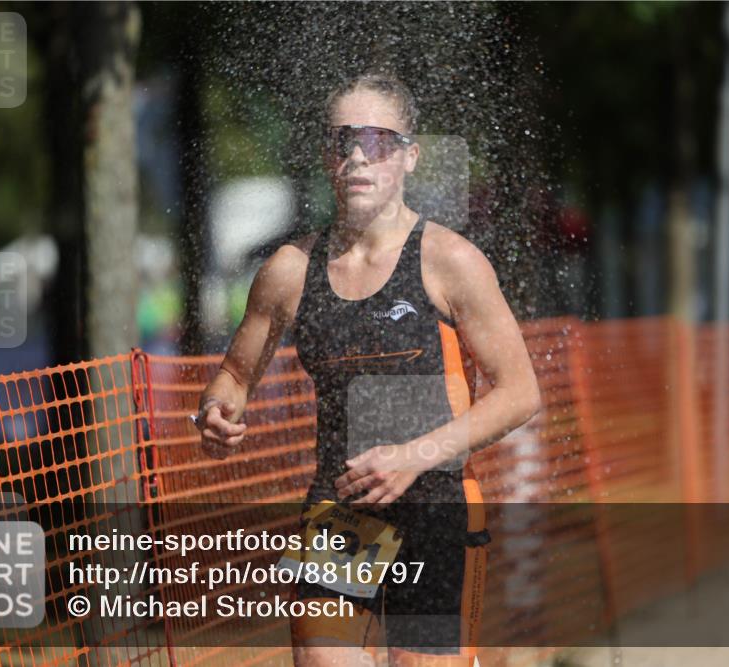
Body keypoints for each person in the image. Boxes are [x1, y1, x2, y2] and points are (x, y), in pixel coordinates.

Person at [195, 72, 541, 667]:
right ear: (327, 157)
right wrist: (217, 410)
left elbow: (520, 393)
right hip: (341, 511)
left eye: (378, 140)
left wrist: (413, 456)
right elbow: (233, 375)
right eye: (342, 141)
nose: (357, 155)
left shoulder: (449, 262)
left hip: (436, 506)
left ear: (409, 156)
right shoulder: (289, 270)